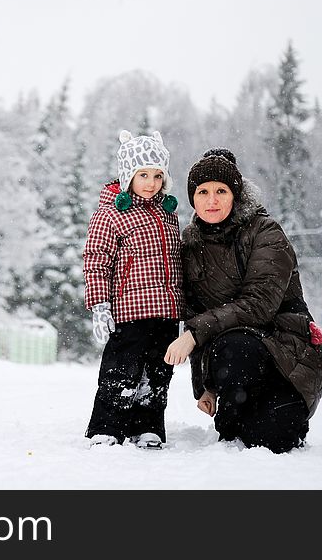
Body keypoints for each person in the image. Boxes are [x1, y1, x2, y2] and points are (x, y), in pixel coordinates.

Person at [164, 148, 322, 453]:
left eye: (221, 191)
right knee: (243, 435)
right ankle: (232, 423)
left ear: (235, 195)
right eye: (203, 192)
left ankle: (264, 418)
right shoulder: (191, 247)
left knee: (277, 438)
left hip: (287, 358)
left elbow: (259, 304)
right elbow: (195, 312)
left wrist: (194, 335)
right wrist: (205, 386)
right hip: (234, 365)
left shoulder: (265, 233)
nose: (211, 200)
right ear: (192, 198)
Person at [83, 130, 185, 449]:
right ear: (128, 175)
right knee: (121, 371)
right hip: (130, 310)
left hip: (167, 311)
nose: (151, 183)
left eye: (158, 175)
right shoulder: (111, 214)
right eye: (143, 174)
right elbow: (96, 260)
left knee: (157, 374)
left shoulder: (169, 214)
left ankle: (148, 425)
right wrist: (100, 306)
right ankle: (107, 426)